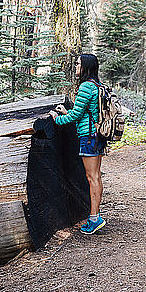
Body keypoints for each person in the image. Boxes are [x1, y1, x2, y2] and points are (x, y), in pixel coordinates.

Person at [49, 53, 107, 235]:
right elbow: (84, 112)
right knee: (96, 176)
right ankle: (95, 217)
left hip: (88, 137)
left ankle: (94, 219)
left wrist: (58, 119)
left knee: (92, 178)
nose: (76, 67)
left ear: (86, 67)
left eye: (78, 64)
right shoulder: (97, 85)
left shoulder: (86, 86)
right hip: (97, 135)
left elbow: (76, 117)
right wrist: (68, 110)